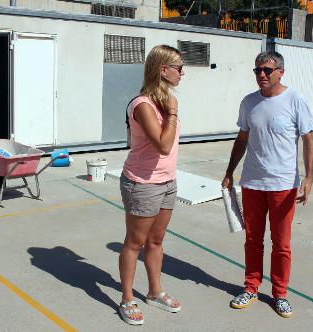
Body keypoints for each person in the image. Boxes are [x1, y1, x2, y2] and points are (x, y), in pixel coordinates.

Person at [221, 51, 313, 318]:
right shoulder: (249, 102)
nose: (261, 75)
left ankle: (280, 293)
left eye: (266, 70)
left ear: (280, 72)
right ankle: (251, 287)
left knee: (281, 243)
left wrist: (309, 178)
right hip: (252, 182)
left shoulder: (295, 100)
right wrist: (230, 171)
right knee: (253, 240)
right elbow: (242, 138)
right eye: (257, 71)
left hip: (283, 185)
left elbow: (308, 140)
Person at [118, 44, 184, 326]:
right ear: (163, 70)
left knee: (156, 241)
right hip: (142, 184)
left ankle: (155, 292)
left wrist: (169, 110)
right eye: (178, 67)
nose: (183, 73)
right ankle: (126, 298)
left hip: (167, 181)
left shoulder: (164, 101)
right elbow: (163, 145)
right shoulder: (143, 104)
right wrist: (171, 114)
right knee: (135, 243)